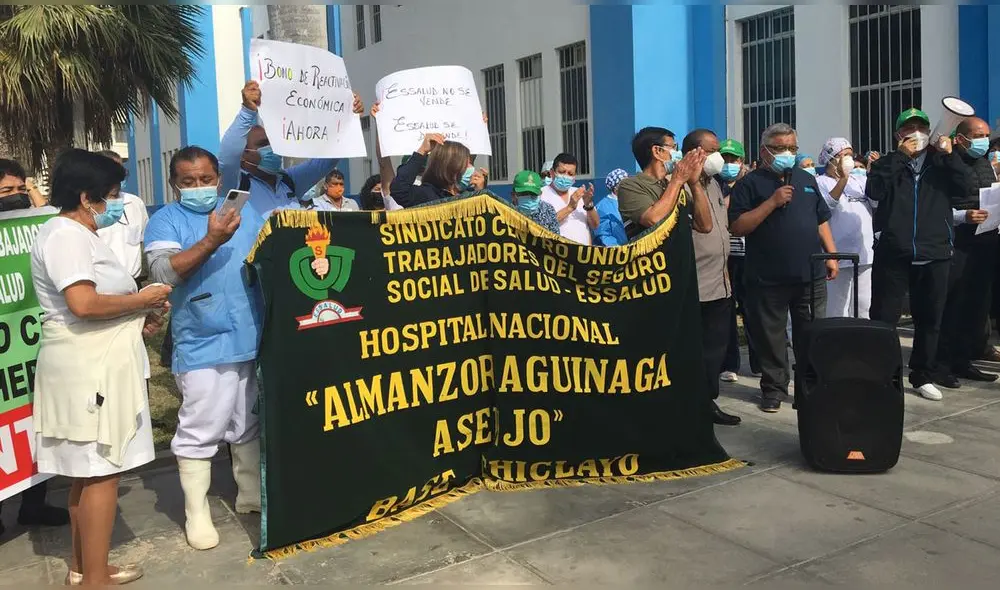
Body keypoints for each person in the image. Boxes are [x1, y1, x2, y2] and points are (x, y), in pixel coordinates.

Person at [30, 149, 171, 585]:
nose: (114, 205)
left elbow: (98, 302)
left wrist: (134, 318)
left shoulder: (79, 234)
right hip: (87, 367)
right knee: (100, 473)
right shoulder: (66, 236)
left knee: (88, 473)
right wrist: (141, 299)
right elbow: (83, 303)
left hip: (99, 358)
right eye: (109, 195)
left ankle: (86, 565)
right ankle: (95, 579)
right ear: (87, 195)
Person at [144, 146, 261, 551]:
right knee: (202, 424)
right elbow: (162, 272)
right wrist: (211, 240)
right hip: (202, 338)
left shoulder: (244, 216)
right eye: (188, 182)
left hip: (250, 332)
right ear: (175, 183)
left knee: (247, 418)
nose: (199, 187)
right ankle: (197, 512)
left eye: (206, 179)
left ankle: (250, 494)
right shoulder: (167, 220)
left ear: (219, 179)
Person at [729, 123, 839, 413]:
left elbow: (820, 218)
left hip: (810, 274)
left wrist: (831, 254)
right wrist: (772, 203)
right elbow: (738, 226)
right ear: (764, 150)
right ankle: (774, 389)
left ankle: (808, 388)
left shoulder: (806, 178)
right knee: (772, 337)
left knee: (811, 335)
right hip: (768, 277)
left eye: (791, 147)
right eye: (779, 148)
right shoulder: (749, 184)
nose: (786, 153)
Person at [866, 108, 974, 401]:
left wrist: (951, 155)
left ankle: (922, 374)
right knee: (884, 318)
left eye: (921, 128)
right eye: (908, 128)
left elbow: (967, 187)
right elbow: (874, 192)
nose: (915, 133)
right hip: (894, 253)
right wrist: (901, 158)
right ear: (898, 135)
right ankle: (883, 374)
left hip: (935, 252)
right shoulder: (887, 163)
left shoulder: (942, 163)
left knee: (930, 319)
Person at [0, 161, 69, 540]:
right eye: (4, 193)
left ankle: (34, 504)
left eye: (18, 191)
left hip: (36, 349)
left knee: (35, 424)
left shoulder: (41, 228)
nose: (14, 199)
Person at [218, 81, 362, 233]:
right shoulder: (236, 184)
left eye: (274, 142)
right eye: (263, 143)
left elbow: (328, 160)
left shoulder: (289, 180)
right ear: (243, 154)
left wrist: (349, 118)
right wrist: (247, 112)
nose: (272, 149)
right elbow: (227, 158)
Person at [682, 129, 741, 426]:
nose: (719, 157)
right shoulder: (678, 187)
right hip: (694, 284)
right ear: (693, 153)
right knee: (694, 352)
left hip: (720, 283)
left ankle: (708, 402)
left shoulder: (715, 185)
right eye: (712, 150)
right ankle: (691, 407)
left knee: (715, 352)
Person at [936, 117, 998, 384]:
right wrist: (963, 215)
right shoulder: (946, 164)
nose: (984, 140)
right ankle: (942, 365)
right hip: (957, 242)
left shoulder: (985, 164)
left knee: (977, 305)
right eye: (978, 135)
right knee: (953, 305)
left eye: (986, 134)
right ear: (960, 139)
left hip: (985, 243)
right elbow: (935, 207)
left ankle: (964, 360)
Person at [815, 138, 875, 319]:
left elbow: (875, 200)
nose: (848, 159)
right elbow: (827, 205)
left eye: (850, 155)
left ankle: (860, 344)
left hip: (864, 255)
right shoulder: (820, 182)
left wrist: (874, 174)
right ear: (831, 158)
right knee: (837, 308)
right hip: (838, 255)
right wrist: (842, 179)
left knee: (863, 306)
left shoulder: (859, 180)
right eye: (843, 155)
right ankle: (837, 345)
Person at [717, 139, 761, 382]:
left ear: (742, 161)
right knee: (727, 312)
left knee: (753, 310)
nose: (729, 164)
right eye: (725, 159)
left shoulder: (752, 185)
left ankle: (758, 362)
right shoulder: (715, 186)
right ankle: (729, 363)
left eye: (733, 159)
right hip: (726, 257)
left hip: (750, 255)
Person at [617, 128, 699, 240]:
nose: (678, 153)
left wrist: (694, 183)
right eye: (673, 147)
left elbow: (704, 226)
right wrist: (677, 180)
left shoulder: (671, 185)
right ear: (657, 151)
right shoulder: (630, 185)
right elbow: (654, 220)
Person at [96, 150, 149, 283]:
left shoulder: (135, 203)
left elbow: (143, 240)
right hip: (102, 286)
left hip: (133, 283)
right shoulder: (89, 206)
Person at [390, 133, 475, 207]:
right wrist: (422, 151)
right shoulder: (427, 195)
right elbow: (399, 190)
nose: (471, 167)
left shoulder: (467, 195)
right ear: (452, 166)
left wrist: (480, 191)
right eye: (466, 164)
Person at [539, 153, 597, 244]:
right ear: (552, 173)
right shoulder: (541, 195)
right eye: (562, 172)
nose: (565, 176)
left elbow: (595, 225)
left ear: (574, 177)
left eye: (570, 174)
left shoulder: (579, 193)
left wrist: (588, 205)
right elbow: (541, 226)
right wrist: (569, 208)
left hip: (582, 254)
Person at [511, 170, 560, 234]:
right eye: (524, 193)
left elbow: (556, 238)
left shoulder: (548, 210)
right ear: (513, 195)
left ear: (540, 194)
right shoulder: (504, 210)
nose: (528, 197)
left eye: (533, 194)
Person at [594, 168, 628, 246]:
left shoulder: (631, 200)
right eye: (625, 183)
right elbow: (603, 234)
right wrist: (618, 250)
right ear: (615, 187)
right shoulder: (603, 207)